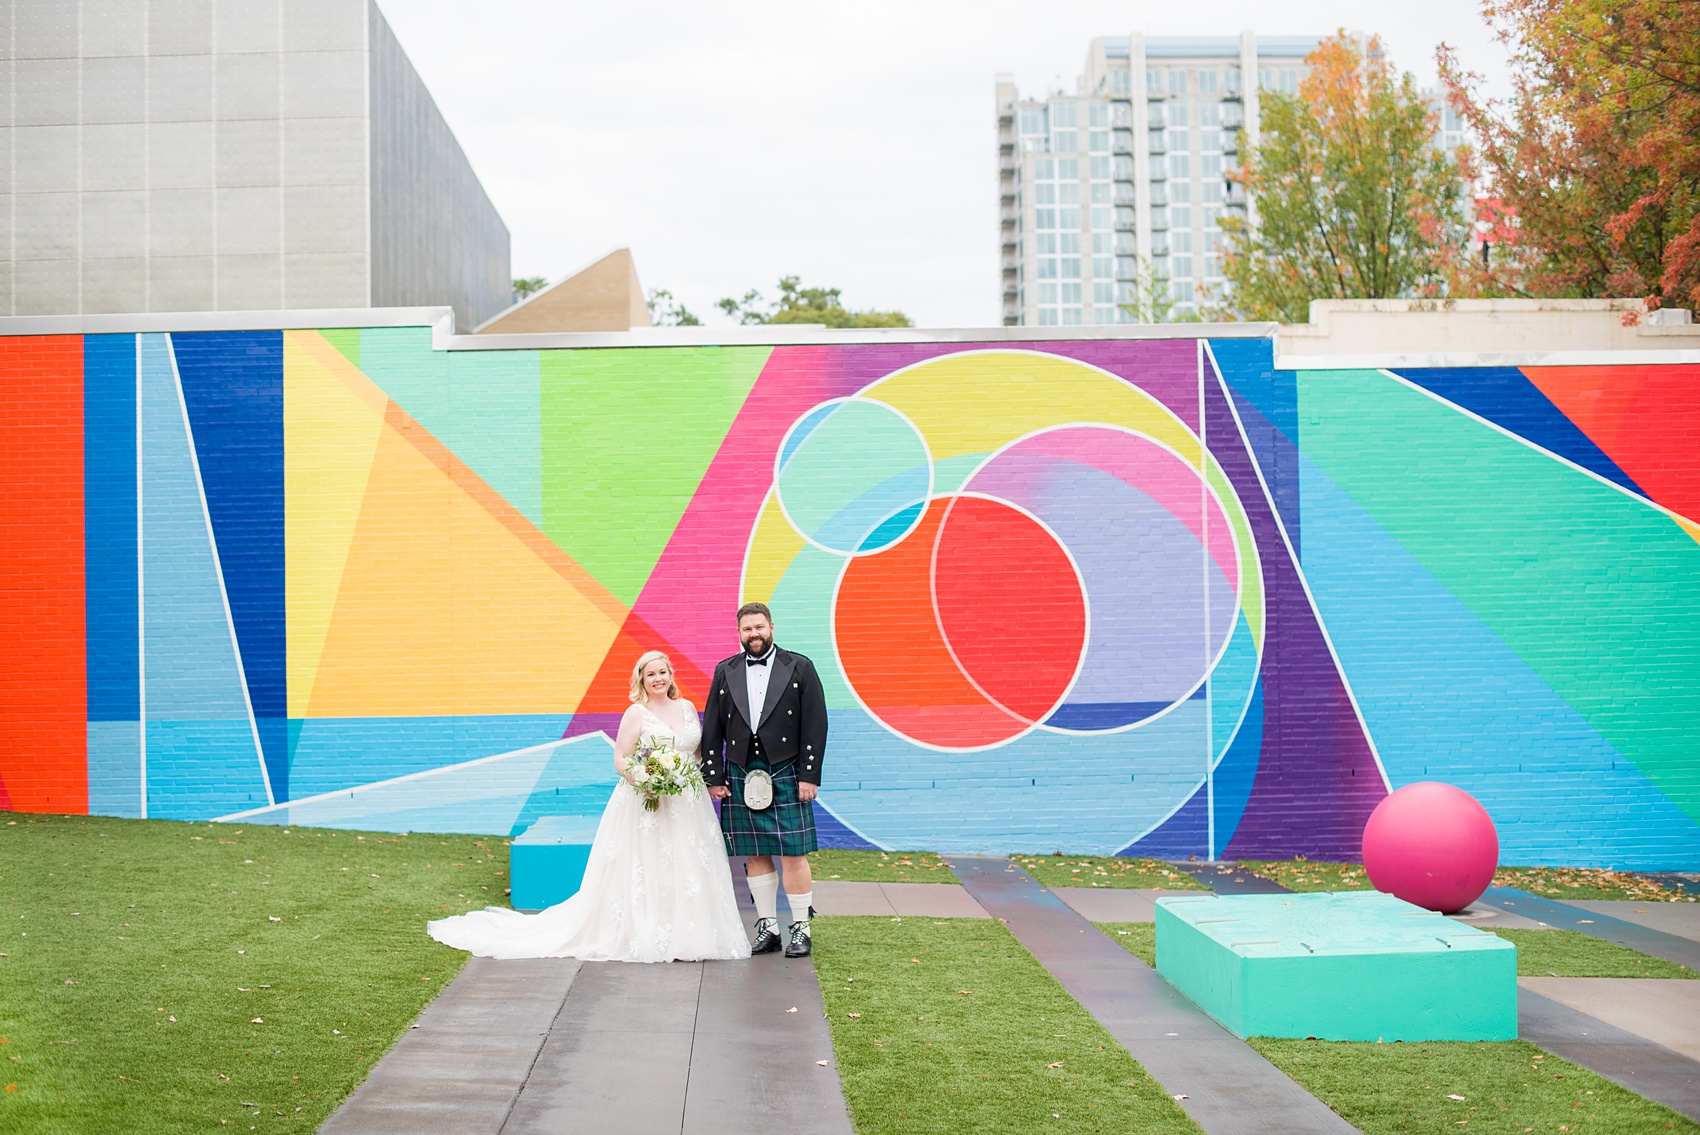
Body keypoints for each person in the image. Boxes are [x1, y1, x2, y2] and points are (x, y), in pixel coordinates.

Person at [426, 651, 751, 962]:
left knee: (688, 864)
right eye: (650, 674)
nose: (657, 679)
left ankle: (690, 935)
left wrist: (700, 779)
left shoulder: (687, 707)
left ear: (670, 675)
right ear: (641, 679)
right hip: (647, 799)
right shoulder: (636, 713)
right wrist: (647, 780)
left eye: (662, 672)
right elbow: (621, 759)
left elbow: (695, 753)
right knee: (651, 864)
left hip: (686, 800)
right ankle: (650, 933)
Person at [700, 602, 829, 958]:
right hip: (742, 769)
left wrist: (808, 775)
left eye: (759, 627)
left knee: (793, 852)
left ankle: (801, 927)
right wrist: (713, 775)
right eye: (747, 629)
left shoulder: (799, 666)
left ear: (771, 626)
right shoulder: (726, 670)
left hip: (786, 768)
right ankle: (768, 927)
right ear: (739, 633)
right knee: (754, 852)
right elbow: (712, 726)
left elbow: (815, 724)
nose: (753, 634)